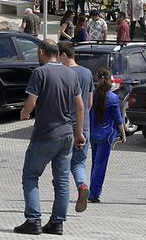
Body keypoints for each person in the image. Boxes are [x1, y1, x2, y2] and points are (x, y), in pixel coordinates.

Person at [13, 39, 85, 236]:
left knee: (30, 175)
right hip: (67, 135)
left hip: (45, 134)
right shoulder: (71, 74)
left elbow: (32, 101)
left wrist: (24, 113)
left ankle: (33, 220)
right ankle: (57, 223)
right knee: (61, 181)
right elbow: (80, 106)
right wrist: (79, 133)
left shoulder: (40, 73)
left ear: (41, 52)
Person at [58, 41, 94, 213]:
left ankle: (60, 206)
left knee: (62, 165)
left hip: (65, 126)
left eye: (58, 56)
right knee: (78, 163)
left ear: (64, 55)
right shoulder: (87, 73)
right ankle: (82, 185)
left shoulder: (63, 73)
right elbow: (89, 102)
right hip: (84, 125)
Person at [88, 67, 125, 203]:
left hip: (93, 134)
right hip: (107, 135)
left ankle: (92, 188)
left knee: (95, 162)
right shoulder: (113, 98)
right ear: (109, 80)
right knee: (100, 165)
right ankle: (94, 193)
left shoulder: (92, 95)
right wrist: (123, 134)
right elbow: (118, 119)